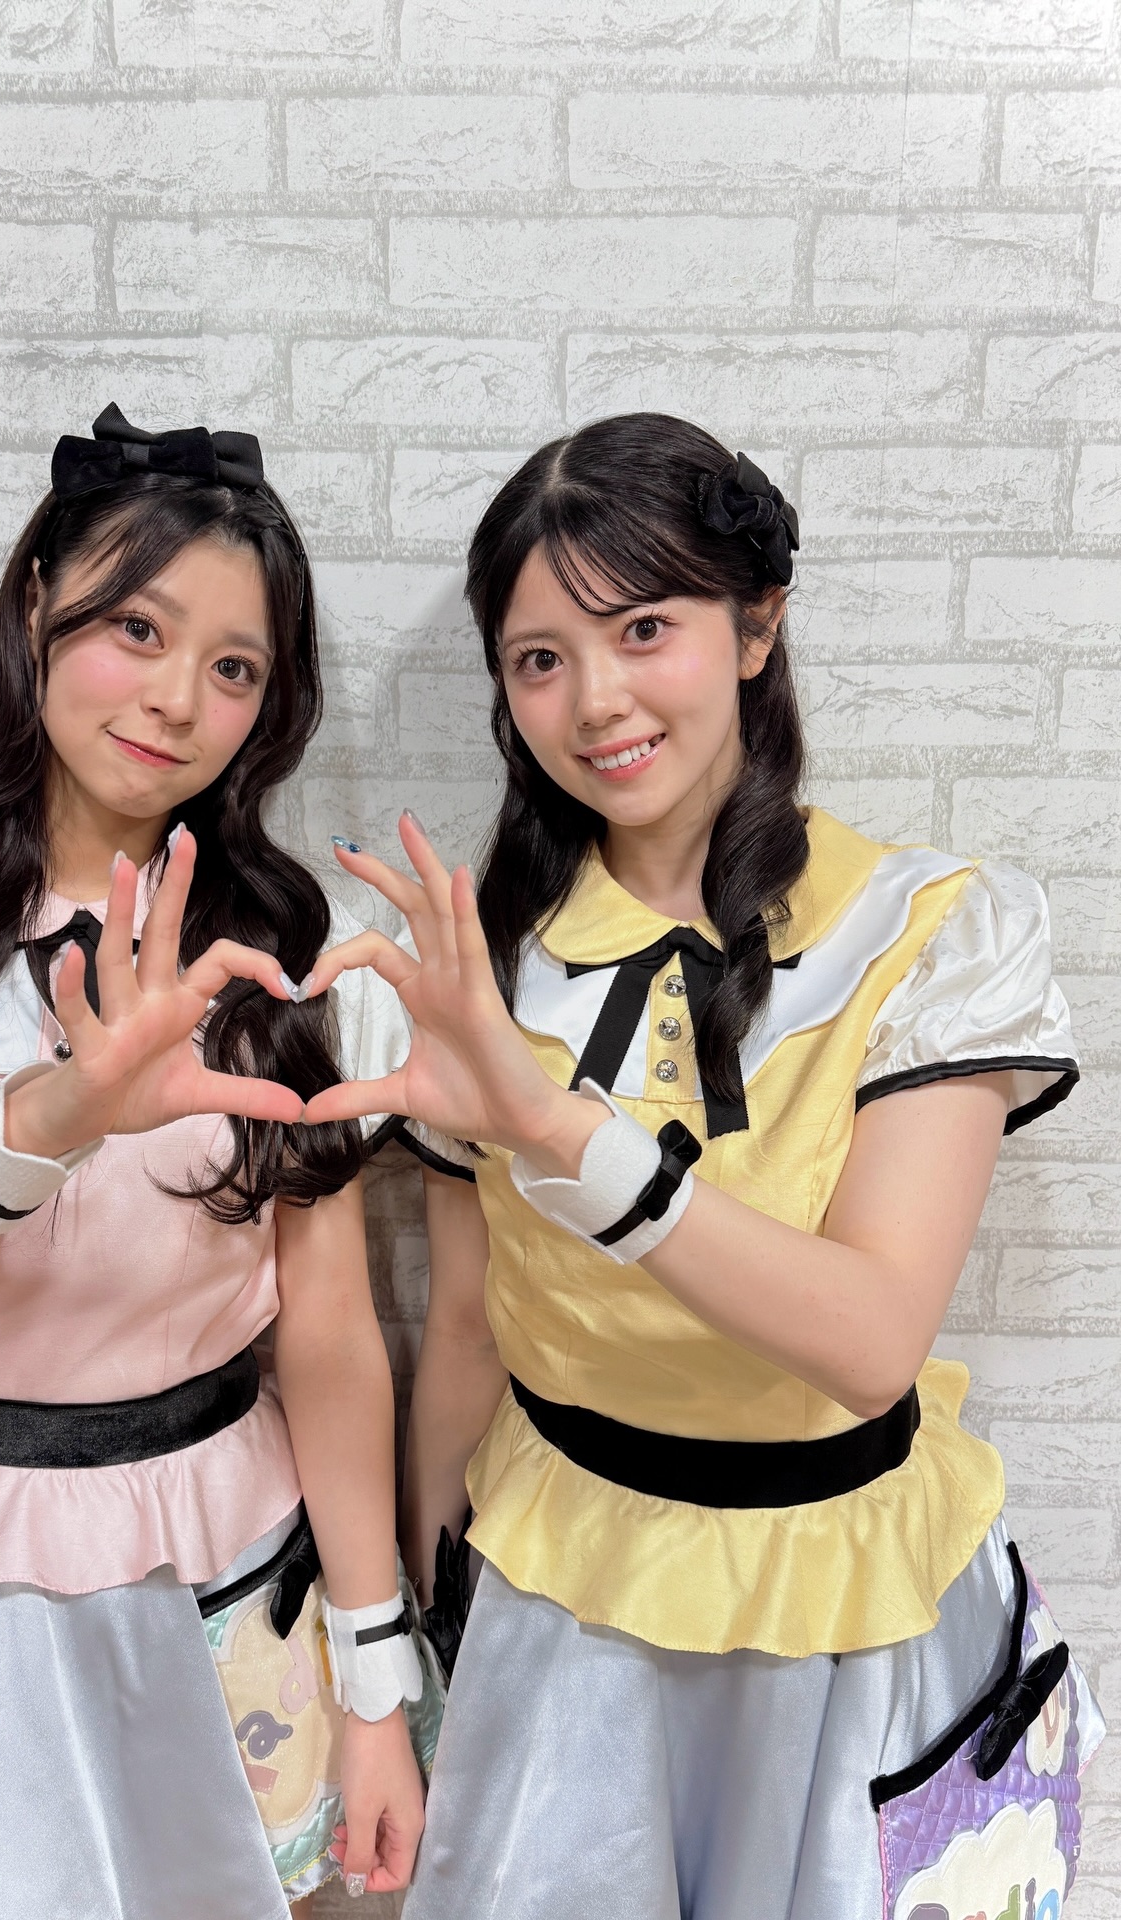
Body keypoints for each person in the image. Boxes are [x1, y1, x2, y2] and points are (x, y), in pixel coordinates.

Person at [303, 415, 1105, 1919]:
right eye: (539, 659)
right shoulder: (481, 965)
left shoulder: (921, 932)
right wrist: (423, 1646)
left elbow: (869, 1338)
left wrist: (561, 1130)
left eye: (643, 629)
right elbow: (465, 1329)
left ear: (756, 626)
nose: (596, 699)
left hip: (850, 1602)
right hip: (565, 1594)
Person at [0, 408, 430, 1919]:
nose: (178, 700)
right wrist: (41, 1125)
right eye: (136, 629)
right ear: (36, 600)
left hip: (215, 1570)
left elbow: (330, 1336)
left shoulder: (293, 964)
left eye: (235, 669)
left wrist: (378, 1675)